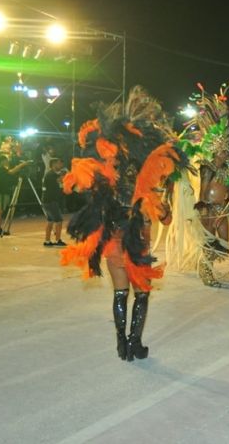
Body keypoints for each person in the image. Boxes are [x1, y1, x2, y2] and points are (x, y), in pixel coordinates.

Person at [61, 88, 181, 362]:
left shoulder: (106, 175)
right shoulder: (145, 175)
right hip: (137, 241)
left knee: (119, 293)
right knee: (141, 294)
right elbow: (166, 217)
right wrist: (163, 206)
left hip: (114, 239)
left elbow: (92, 204)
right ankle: (134, 342)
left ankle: (121, 344)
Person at [0, 155, 31, 235]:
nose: (7, 161)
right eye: (6, 160)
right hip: (2, 192)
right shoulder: (1, 169)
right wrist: (22, 165)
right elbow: (11, 172)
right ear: (2, 161)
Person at [42, 157, 66, 247]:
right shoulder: (51, 175)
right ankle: (58, 240)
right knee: (59, 220)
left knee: (50, 221)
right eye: (59, 163)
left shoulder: (51, 174)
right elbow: (60, 180)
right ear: (53, 165)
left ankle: (47, 241)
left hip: (47, 201)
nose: (61, 165)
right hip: (51, 201)